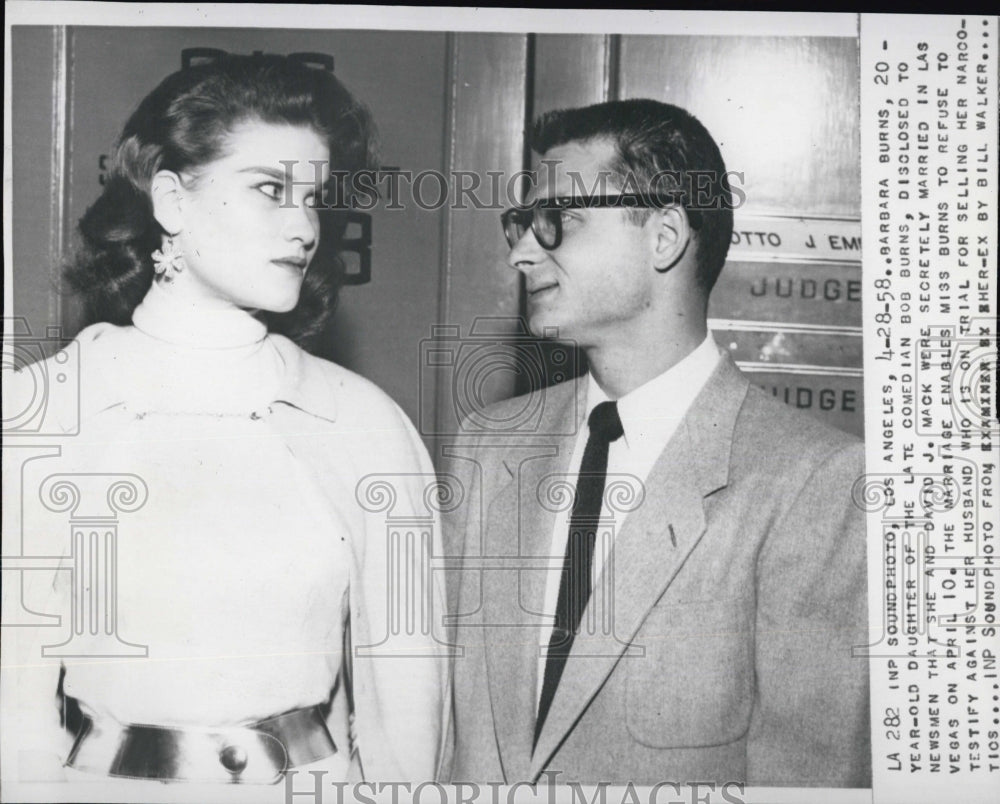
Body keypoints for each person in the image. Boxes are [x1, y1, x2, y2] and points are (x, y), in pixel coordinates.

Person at [2, 53, 448, 790]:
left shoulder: (365, 424)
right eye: (270, 189)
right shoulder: (43, 413)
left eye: (315, 197)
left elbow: (409, 712)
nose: (304, 226)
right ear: (172, 202)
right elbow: (12, 713)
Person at [444, 100, 870, 787]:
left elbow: (809, 780)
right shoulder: (487, 447)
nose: (523, 252)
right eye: (522, 224)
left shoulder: (814, 482)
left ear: (664, 235)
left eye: (562, 220)